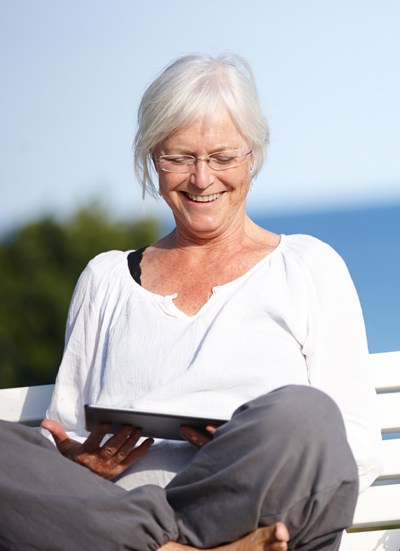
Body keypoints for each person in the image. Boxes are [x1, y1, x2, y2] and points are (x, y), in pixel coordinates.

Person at [39, 54, 382, 550]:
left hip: (261, 518)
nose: (201, 179)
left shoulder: (309, 268)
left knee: (304, 414)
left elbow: (356, 447)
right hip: (126, 521)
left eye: (222, 157)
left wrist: (248, 452)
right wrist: (79, 462)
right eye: (179, 158)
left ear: (253, 156)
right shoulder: (105, 280)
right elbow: (62, 439)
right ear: (151, 158)